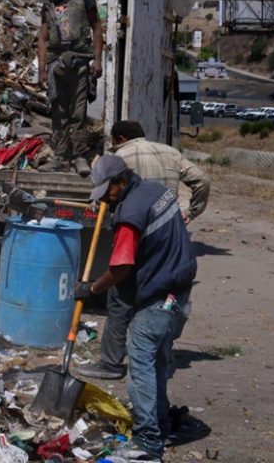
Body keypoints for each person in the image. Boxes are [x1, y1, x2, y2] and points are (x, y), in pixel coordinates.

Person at [72, 155, 196, 462]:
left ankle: (148, 442)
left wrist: (91, 289)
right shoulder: (156, 191)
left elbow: (120, 268)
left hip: (159, 298)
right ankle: (161, 425)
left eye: (108, 192)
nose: (105, 199)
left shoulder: (130, 214)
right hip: (177, 294)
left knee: (140, 367)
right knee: (157, 364)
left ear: (121, 181)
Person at [85, 120, 210, 382]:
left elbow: (120, 268)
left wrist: (92, 288)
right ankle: (160, 354)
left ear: (120, 139)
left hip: (138, 236)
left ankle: (113, 363)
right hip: (168, 236)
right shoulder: (170, 153)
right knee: (166, 301)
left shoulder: (118, 160)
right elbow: (202, 179)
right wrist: (190, 212)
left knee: (121, 299)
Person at [37, 0, 104, 177]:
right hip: (56, 63)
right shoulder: (48, 3)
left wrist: (97, 59)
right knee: (58, 111)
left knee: (78, 112)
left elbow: (96, 27)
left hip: (80, 61)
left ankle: (79, 155)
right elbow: (43, 37)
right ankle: (60, 157)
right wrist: (41, 70)